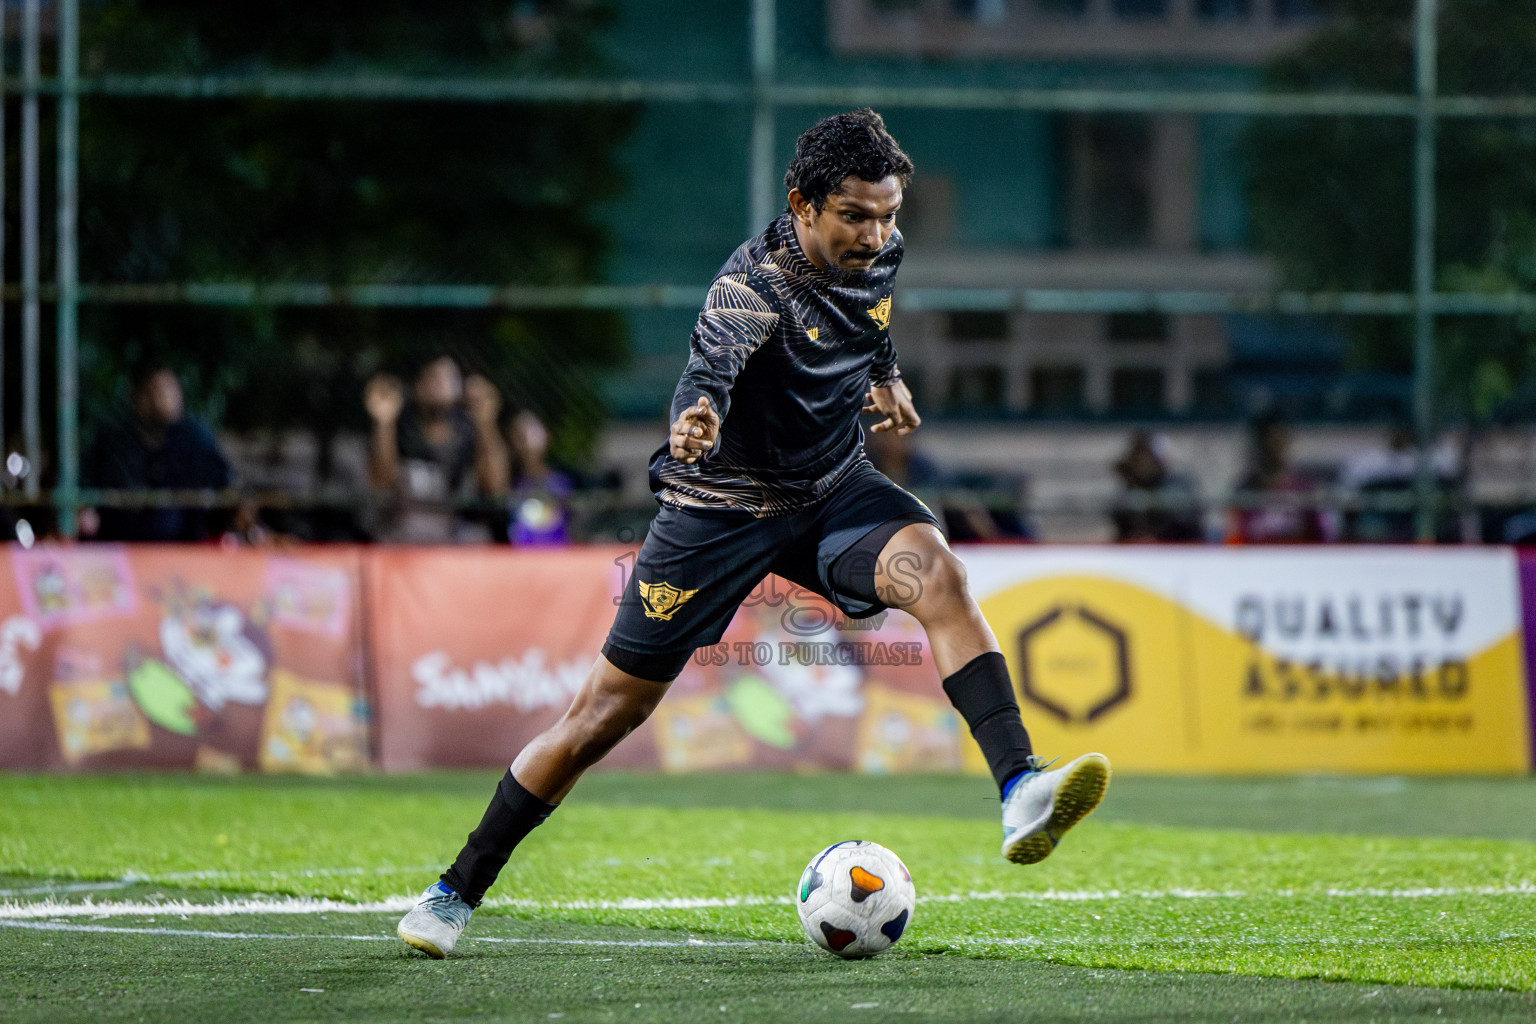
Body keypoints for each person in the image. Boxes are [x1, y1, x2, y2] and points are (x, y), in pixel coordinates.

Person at [395, 109, 1111, 958]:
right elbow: (710, 372)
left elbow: (866, 323)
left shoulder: (880, 251)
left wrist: (884, 377)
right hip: (718, 513)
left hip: (831, 490)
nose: (876, 234)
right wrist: (697, 417)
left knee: (941, 577)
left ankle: (1021, 787)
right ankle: (452, 892)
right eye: (855, 215)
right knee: (600, 717)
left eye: (889, 215)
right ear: (802, 204)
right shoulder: (751, 288)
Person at [81, 364, 234, 542]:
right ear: (137, 398)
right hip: (121, 546)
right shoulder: (111, 440)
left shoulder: (196, 439)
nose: (165, 398)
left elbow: (224, 486)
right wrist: (85, 508)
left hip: (186, 548)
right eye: (156, 390)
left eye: (171, 389)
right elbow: (85, 484)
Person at [364, 354, 508, 543]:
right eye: (433, 377)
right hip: (403, 529)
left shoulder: (470, 429)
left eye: (449, 377)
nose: (440, 383)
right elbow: (381, 483)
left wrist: (486, 422)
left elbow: (495, 487)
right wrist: (384, 423)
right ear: (418, 385)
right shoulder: (398, 425)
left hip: (454, 533)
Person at [1110, 429, 1202, 543]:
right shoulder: (1130, 485)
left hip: (1177, 548)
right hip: (1136, 549)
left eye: (1147, 456)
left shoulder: (1178, 483)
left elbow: (1186, 518)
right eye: (1138, 457)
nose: (1143, 463)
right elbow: (1118, 515)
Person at [506, 410, 574, 546]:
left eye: (533, 431)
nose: (527, 439)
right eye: (520, 434)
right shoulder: (509, 479)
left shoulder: (563, 481)